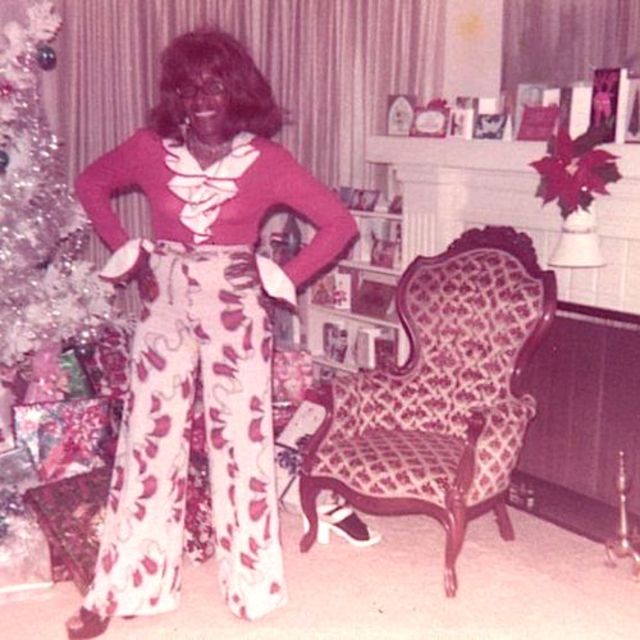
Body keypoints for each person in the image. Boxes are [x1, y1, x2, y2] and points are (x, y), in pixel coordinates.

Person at [66, 27, 360, 638]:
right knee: (148, 441)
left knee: (243, 445)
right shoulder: (149, 148)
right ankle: (128, 585)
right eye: (188, 87)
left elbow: (339, 223)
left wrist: (283, 277)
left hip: (237, 308)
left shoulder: (267, 161)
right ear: (176, 95)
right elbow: (90, 184)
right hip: (166, 302)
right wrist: (133, 256)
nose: (200, 100)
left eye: (215, 87)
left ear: (237, 93)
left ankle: (252, 587)